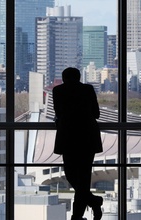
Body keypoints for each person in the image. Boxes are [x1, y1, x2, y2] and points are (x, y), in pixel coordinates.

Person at [52, 67, 103, 220]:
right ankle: (84, 210)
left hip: (68, 137)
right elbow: (96, 114)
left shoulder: (58, 91)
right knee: (84, 177)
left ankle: (86, 208)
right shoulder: (88, 89)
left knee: (71, 175)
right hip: (88, 137)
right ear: (79, 77)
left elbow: (58, 113)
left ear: (63, 78)